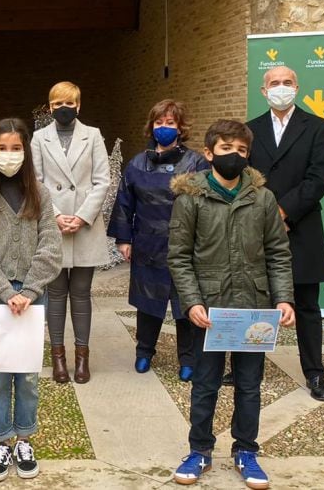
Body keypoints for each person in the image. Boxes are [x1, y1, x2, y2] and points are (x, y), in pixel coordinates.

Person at [167, 120, 295, 490]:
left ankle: (246, 451)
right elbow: (179, 257)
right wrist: (192, 302)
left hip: (253, 306)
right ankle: (199, 450)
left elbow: (278, 253)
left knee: (249, 384)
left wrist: (283, 297)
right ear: (209, 154)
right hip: (209, 310)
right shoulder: (191, 199)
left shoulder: (263, 199)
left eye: (241, 150)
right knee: (205, 383)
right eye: (226, 149)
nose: (234, 156)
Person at [0, 118, 61, 482]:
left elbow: (51, 245)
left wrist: (30, 290)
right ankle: (1, 439)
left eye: (16, 148)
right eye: (2, 148)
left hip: (33, 297)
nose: (9, 155)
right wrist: (7, 293)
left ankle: (24, 437)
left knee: (28, 374)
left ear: (26, 151)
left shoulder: (40, 193)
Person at [247, 65, 324, 402]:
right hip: (260, 228)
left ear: (297, 87)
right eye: (274, 83)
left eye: (286, 82)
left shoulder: (317, 127)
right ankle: (247, 366)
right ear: (263, 91)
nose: (280, 88)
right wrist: (268, 215)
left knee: (307, 305)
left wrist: (283, 211)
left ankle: (314, 373)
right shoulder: (251, 130)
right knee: (257, 300)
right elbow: (247, 177)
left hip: (303, 227)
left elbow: (318, 178)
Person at [108, 100, 209, 381]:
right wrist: (124, 238)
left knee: (185, 302)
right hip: (147, 242)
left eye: (170, 123)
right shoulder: (137, 163)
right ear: (152, 127)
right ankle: (144, 352)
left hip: (184, 244)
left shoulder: (195, 162)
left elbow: (205, 204)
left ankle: (188, 358)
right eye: (159, 123)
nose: (164, 128)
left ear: (181, 128)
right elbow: (124, 201)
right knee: (148, 302)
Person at [30, 81, 110, 384]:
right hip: (54, 225)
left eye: (70, 102)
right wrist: (56, 216)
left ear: (79, 105)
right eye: (57, 103)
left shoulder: (93, 136)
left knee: (81, 295)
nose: (64, 108)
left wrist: (82, 216)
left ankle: (81, 358)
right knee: (55, 294)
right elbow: (35, 183)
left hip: (84, 226)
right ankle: (58, 358)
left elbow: (102, 180)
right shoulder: (39, 138)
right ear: (50, 107)